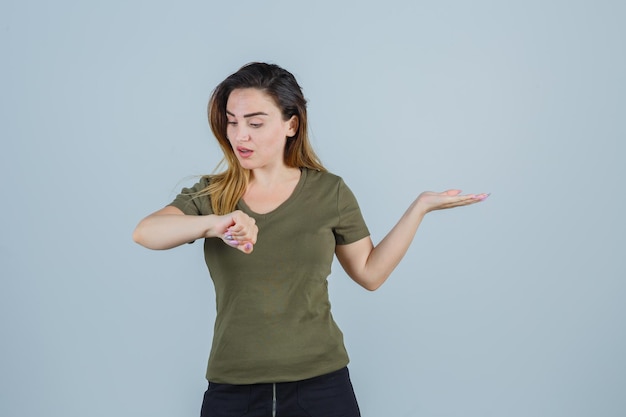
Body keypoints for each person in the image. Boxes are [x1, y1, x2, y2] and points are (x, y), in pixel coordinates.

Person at [133, 62, 488, 417]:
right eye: (232, 121)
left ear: (291, 124)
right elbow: (146, 232)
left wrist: (420, 208)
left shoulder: (329, 192)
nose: (240, 135)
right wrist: (214, 223)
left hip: (321, 388)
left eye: (255, 123)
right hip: (233, 388)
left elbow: (370, 273)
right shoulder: (212, 195)